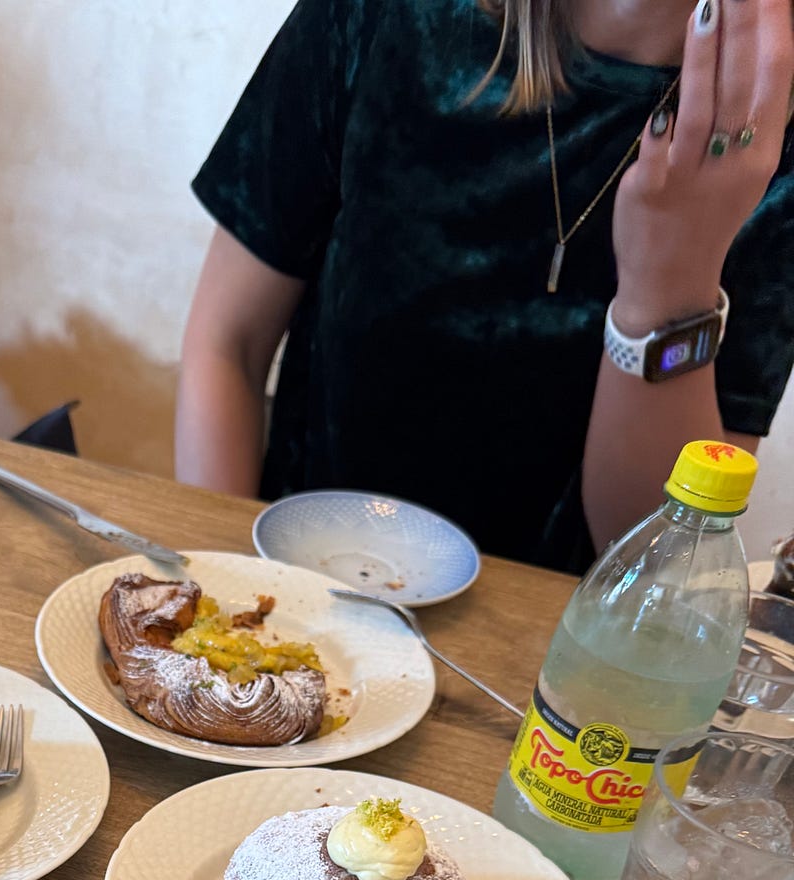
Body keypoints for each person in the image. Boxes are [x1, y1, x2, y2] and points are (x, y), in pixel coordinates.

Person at [176, 0, 794, 568]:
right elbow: (228, 344)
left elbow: (653, 557)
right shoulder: (387, 17)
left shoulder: (763, 142)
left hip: (544, 666)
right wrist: (228, 588)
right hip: (294, 593)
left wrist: (668, 285)